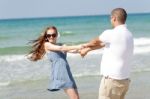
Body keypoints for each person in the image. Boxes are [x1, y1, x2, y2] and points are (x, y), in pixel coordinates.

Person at [80, 8, 134, 99]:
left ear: (114, 18)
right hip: (125, 81)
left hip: (111, 80)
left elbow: (95, 41)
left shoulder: (110, 33)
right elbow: (103, 44)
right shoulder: (129, 34)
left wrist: (84, 45)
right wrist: (87, 50)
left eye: (110, 18)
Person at [28, 26, 82, 99]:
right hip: (61, 73)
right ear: (46, 37)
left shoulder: (61, 44)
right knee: (75, 98)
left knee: (77, 97)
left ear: (57, 35)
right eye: (49, 35)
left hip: (67, 72)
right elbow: (61, 49)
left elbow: (73, 51)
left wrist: (86, 48)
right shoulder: (47, 45)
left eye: (53, 35)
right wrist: (78, 46)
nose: (51, 37)